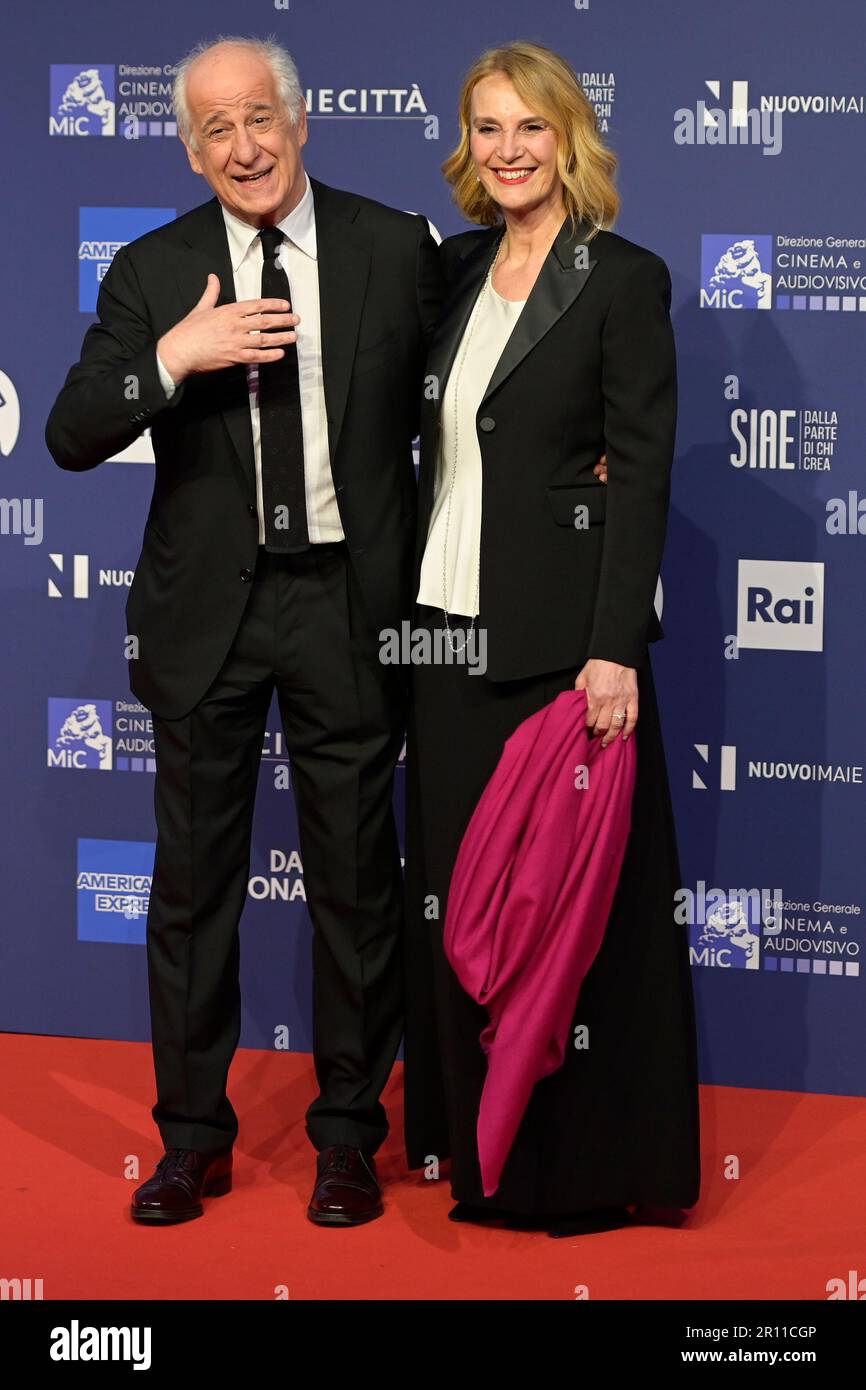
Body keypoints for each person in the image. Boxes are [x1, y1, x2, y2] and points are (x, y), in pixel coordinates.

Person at [45, 35, 443, 1227]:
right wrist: (173, 356)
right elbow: (68, 430)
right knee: (192, 889)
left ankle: (344, 1137)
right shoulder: (154, 266)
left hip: (347, 602)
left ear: (302, 120)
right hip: (206, 612)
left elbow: (483, 382)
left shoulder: (393, 246)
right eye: (214, 130)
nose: (242, 147)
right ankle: (190, 1141)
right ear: (190, 148)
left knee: (358, 886)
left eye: (258, 118)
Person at [402, 41, 701, 1235]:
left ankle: (573, 1174)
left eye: (529, 126)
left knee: (565, 923)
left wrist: (614, 644)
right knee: (467, 918)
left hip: (564, 654)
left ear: (568, 136)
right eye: (486, 128)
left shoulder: (620, 279)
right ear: (465, 147)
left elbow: (636, 473)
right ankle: (474, 1158)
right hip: (446, 640)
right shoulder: (455, 275)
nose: (508, 149)